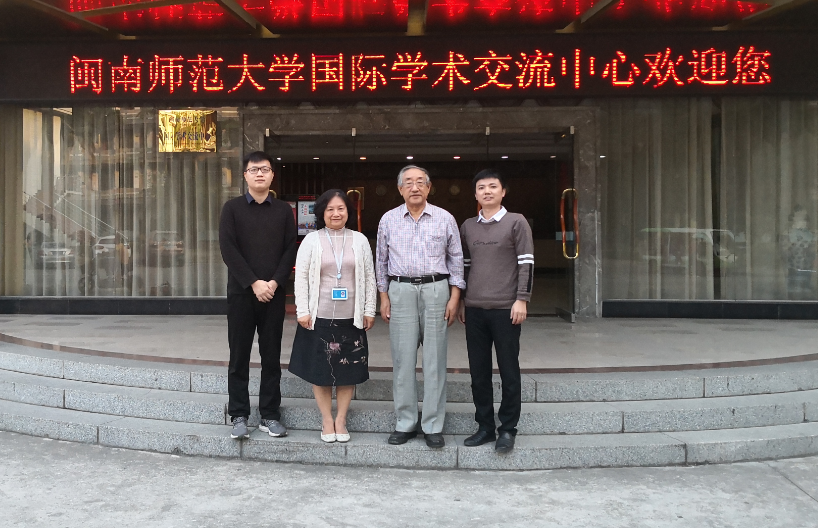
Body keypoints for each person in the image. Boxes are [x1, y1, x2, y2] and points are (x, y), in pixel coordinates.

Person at [376, 165, 465, 448]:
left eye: (420, 182)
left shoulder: (445, 218)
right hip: (400, 289)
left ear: (428, 187)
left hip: (437, 289)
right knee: (403, 360)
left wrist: (455, 297)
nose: (414, 187)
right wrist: (384, 297)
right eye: (408, 183)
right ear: (400, 189)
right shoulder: (388, 219)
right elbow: (381, 261)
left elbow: (456, 260)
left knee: (435, 360)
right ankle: (405, 423)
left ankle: (433, 425)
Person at [219, 151, 297, 440]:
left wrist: (274, 283)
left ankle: (269, 415)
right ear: (245, 176)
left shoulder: (283, 211)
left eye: (265, 169)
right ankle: (239, 414)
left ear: (272, 175)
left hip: (273, 295)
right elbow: (228, 249)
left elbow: (290, 249)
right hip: (241, 294)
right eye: (254, 170)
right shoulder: (232, 209)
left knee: (271, 357)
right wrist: (254, 283)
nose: (260, 174)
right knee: (239, 356)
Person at [289, 189, 377, 443]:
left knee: (348, 371)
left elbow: (369, 276)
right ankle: (327, 420)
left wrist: (369, 309)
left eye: (341, 208)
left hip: (351, 318)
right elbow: (301, 278)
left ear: (348, 211)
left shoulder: (359, 240)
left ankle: (341, 419)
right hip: (319, 317)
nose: (336, 213)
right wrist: (303, 310)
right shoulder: (312, 240)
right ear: (322, 213)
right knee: (320, 371)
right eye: (330, 209)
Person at [457, 169, 534, 453]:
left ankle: (508, 429)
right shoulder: (468, 226)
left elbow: (526, 262)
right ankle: (485, 427)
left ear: (503, 192)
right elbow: (464, 266)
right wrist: (462, 301)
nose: (487, 191)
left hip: (506, 309)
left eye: (492, 186)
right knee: (478, 373)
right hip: (475, 309)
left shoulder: (516, 222)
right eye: (481, 187)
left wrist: (522, 299)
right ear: (475, 194)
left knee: (509, 371)